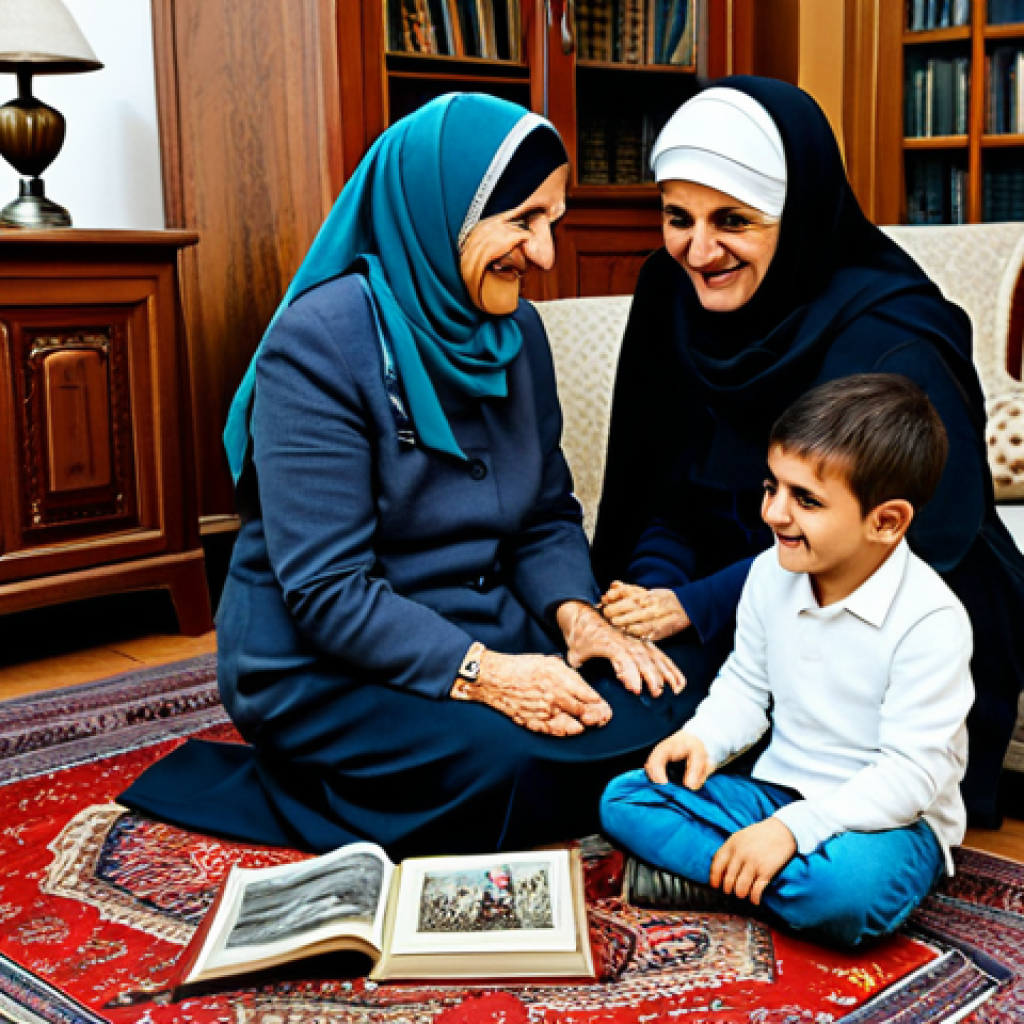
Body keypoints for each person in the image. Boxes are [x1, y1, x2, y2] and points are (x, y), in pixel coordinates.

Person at [119, 93, 692, 860]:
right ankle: (331, 780)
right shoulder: (318, 343)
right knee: (514, 761)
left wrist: (577, 617)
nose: (547, 254)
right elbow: (326, 589)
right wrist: (488, 676)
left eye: (552, 222)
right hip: (323, 662)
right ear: (442, 210)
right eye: (523, 221)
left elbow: (546, 514)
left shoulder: (517, 330)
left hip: (488, 624)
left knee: (679, 696)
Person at [592, 77, 1024, 827]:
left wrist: (690, 606)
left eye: (733, 219)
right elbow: (665, 483)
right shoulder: (670, 292)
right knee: (605, 711)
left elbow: (900, 546)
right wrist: (648, 598)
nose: (698, 250)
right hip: (731, 595)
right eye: (676, 217)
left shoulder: (890, 336)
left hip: (866, 608)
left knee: (627, 745)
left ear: (795, 215)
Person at [601, 375, 974, 948]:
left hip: (892, 820)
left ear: (886, 521)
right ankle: (755, 876)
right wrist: (702, 739)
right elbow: (746, 688)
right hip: (778, 790)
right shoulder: (770, 573)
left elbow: (909, 777)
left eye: (806, 500)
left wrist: (790, 831)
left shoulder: (931, 621)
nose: (774, 513)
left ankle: (719, 876)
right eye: (771, 486)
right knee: (625, 798)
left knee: (847, 896)